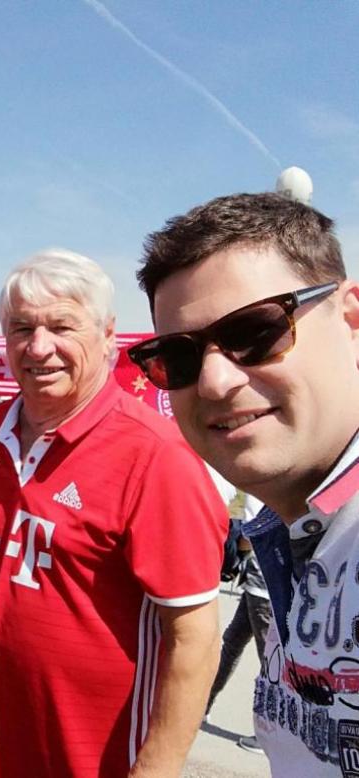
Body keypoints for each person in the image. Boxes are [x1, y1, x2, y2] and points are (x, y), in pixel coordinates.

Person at [0, 249, 226, 777]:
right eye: (21, 328)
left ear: (108, 336)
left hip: (92, 759)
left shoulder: (156, 457)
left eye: (62, 326)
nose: (39, 348)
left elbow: (194, 636)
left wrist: (156, 769)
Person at [132, 192, 359, 777]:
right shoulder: (294, 526)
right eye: (175, 358)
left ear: (352, 320)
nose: (212, 380)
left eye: (256, 331)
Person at [205, 494, 270, 754]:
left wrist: (239, 557)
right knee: (232, 642)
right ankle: (201, 706)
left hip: (263, 587)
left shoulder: (261, 487)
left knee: (270, 662)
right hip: (258, 584)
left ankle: (267, 735)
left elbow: (248, 533)